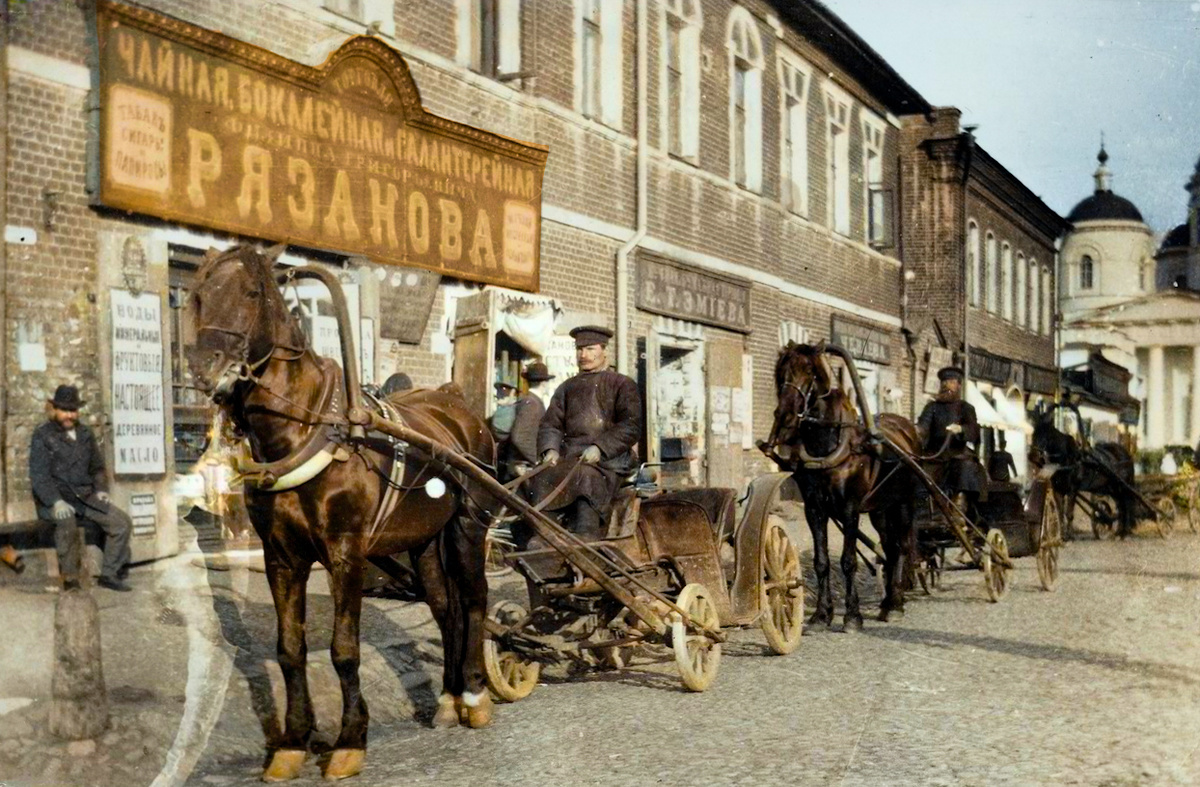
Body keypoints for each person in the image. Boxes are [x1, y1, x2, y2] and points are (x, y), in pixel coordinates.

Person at [527, 326, 641, 542]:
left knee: (586, 477)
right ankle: (545, 537)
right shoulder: (566, 388)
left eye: (590, 349)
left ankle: (586, 535)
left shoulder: (622, 384)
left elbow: (631, 425)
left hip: (610, 459)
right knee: (541, 476)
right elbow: (551, 424)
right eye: (579, 349)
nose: (584, 355)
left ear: (604, 351)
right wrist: (550, 449)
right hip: (572, 457)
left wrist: (600, 447)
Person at [30, 385, 133, 592]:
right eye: (65, 410)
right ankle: (70, 581)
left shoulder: (85, 433)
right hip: (55, 500)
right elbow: (39, 477)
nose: (69, 415)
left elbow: (97, 468)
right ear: (55, 409)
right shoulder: (43, 435)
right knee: (66, 523)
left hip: (84, 498)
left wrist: (101, 490)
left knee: (122, 523)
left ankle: (109, 574)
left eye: (73, 410)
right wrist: (56, 502)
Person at [917, 366, 988, 516]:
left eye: (950, 381)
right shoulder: (932, 407)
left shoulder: (965, 408)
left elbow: (974, 431)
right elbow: (923, 427)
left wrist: (961, 429)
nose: (946, 385)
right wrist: (916, 431)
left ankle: (958, 509)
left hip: (957, 454)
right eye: (944, 382)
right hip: (934, 455)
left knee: (964, 467)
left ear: (959, 385)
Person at [500, 362, 554, 482]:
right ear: (544, 383)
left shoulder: (529, 401)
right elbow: (519, 437)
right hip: (521, 468)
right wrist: (536, 459)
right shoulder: (532, 404)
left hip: (521, 467)